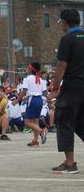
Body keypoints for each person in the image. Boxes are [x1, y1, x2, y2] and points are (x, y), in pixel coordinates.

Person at [49, 9, 84, 174]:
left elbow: (62, 65)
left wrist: (55, 88)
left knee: (63, 121)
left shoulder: (67, 39)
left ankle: (70, 163)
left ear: (65, 22)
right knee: (80, 122)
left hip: (72, 87)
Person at [14, 62, 47, 147]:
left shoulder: (27, 78)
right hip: (40, 100)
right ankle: (35, 140)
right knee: (35, 121)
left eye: (28, 68)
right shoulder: (40, 79)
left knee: (27, 122)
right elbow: (45, 92)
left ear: (30, 69)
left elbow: (24, 91)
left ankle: (41, 131)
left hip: (32, 100)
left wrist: (17, 101)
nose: (27, 69)